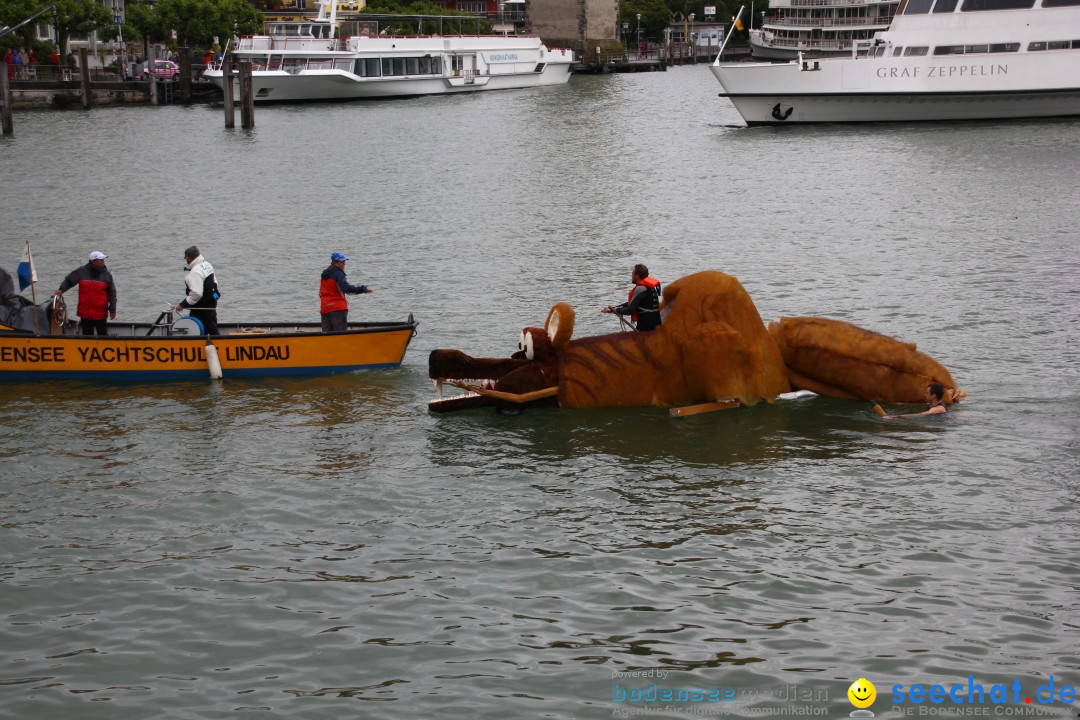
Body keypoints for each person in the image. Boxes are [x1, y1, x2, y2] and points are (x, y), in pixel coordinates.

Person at [55, 250, 117, 336]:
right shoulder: (81, 271)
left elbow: (112, 293)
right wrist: (61, 290)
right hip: (85, 313)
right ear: (93, 261)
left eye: (103, 259)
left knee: (102, 335)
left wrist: (112, 309)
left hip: (100, 313)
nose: (103, 261)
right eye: (101, 259)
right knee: (87, 335)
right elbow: (69, 281)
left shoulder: (107, 275)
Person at [601, 263, 662, 331]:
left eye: (632, 273)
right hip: (656, 328)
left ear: (637, 276)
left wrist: (617, 310)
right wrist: (613, 309)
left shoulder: (640, 289)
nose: (631, 276)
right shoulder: (651, 288)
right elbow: (633, 303)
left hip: (645, 330)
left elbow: (630, 310)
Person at [320, 252, 372, 332]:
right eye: (341, 262)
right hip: (338, 309)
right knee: (340, 335)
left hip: (325, 308)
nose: (344, 264)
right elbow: (346, 288)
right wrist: (363, 289)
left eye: (344, 261)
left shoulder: (324, 274)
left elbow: (320, 293)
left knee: (326, 336)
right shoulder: (339, 273)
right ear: (335, 263)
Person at [175, 246, 220, 335]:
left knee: (201, 327)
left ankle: (216, 344)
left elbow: (196, 294)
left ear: (191, 257)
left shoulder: (195, 272)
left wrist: (182, 305)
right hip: (212, 300)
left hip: (201, 305)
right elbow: (215, 282)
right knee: (211, 324)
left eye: (186, 256)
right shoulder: (207, 264)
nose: (184, 258)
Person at [883, 382, 949, 419]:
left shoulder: (938, 408)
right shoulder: (932, 404)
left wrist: (896, 417)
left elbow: (921, 415)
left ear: (934, 396)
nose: (924, 395)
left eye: (927, 393)